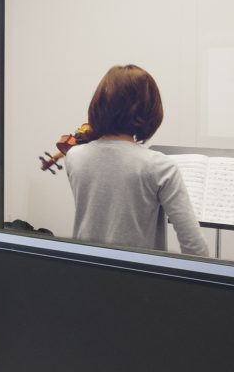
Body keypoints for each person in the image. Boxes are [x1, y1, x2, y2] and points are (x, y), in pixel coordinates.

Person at [64, 64, 209, 257]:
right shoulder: (159, 166)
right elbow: (194, 247)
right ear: (148, 110)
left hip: (85, 273)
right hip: (139, 280)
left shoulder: (75, 156)